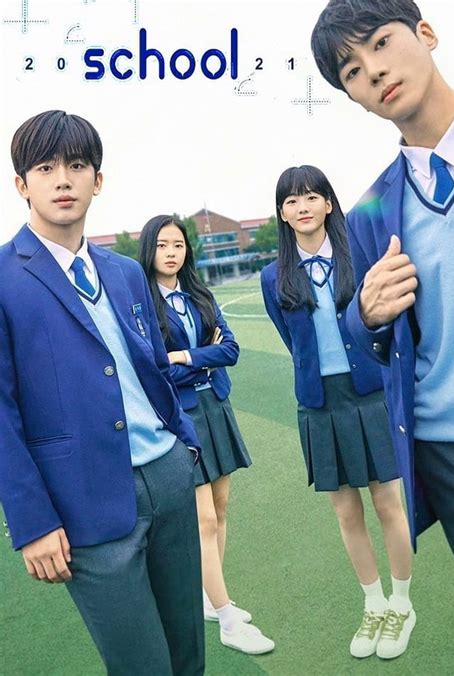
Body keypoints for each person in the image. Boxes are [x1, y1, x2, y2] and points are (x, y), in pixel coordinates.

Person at [0, 110, 205, 675]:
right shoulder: (5, 278)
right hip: (83, 501)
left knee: (188, 656)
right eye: (45, 168)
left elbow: (153, 368)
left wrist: (184, 443)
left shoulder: (124, 272)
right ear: (22, 184)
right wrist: (33, 522)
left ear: (98, 179)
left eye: (76, 165)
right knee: (143, 666)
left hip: (168, 478)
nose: (63, 180)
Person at [311, 0, 454, 595]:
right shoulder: (370, 213)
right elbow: (363, 330)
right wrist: (366, 315)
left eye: (380, 42)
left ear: (425, 33)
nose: (373, 70)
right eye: (351, 70)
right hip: (449, 449)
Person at [261, 165, 415, 659]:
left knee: (388, 503)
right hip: (319, 403)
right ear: (283, 214)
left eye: (311, 196)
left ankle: (401, 604)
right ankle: (373, 604)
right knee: (347, 512)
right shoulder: (272, 277)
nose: (302, 206)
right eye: (291, 200)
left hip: (370, 393)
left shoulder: (362, 257)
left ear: (329, 204)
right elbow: (295, 344)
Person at [138, 215, 275, 655]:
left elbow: (229, 349)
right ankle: (229, 618)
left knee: (221, 509)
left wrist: (184, 356)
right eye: (163, 245)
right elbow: (156, 367)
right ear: (149, 250)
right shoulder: (142, 305)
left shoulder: (200, 295)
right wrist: (199, 357)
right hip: (182, 416)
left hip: (216, 407)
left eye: (178, 245)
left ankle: (208, 597)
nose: (171, 252)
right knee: (204, 520)